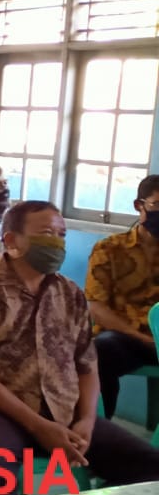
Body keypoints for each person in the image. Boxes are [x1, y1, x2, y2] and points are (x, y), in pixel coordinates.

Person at [0, 201, 159, 495]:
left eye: (62, 234)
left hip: (62, 408)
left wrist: (85, 420)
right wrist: (39, 426)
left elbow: (87, 366)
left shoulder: (69, 294)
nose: (56, 242)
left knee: (150, 467)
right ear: (12, 241)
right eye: (46, 233)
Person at [88, 175, 159, 418]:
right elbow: (96, 306)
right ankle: (100, 432)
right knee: (99, 352)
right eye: (157, 205)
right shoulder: (109, 249)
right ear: (138, 205)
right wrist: (140, 337)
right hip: (127, 337)